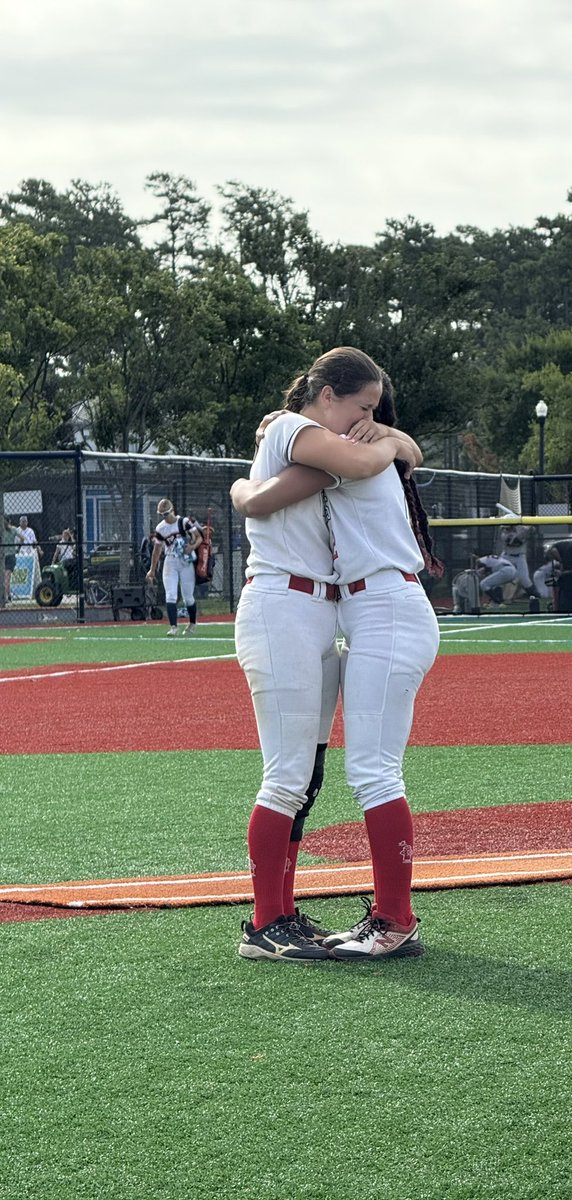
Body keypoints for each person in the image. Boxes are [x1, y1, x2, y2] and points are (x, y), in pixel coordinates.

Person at [231, 346, 438, 963]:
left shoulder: (322, 440)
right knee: (296, 774)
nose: (369, 417)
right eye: (363, 405)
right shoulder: (301, 430)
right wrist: (394, 441)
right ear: (327, 396)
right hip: (297, 603)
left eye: (376, 409)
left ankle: (380, 919)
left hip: (361, 605)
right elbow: (271, 495)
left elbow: (270, 491)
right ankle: (271, 921)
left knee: (337, 771)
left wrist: (394, 439)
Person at [145, 499, 203, 635]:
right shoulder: (160, 528)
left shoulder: (183, 522)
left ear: (172, 511)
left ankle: (192, 624)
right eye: (162, 515)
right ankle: (173, 627)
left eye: (166, 514)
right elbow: (157, 550)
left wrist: (192, 546)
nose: (165, 517)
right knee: (170, 594)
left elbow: (198, 537)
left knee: (188, 596)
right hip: (170, 560)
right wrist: (152, 570)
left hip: (185, 561)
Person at [3, 517, 19, 603]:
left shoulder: (2, 530)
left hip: (3, 555)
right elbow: (22, 538)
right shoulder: (13, 529)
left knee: (5, 577)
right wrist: (17, 549)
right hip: (11, 555)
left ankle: (8, 596)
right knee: (7, 578)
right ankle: (6, 597)